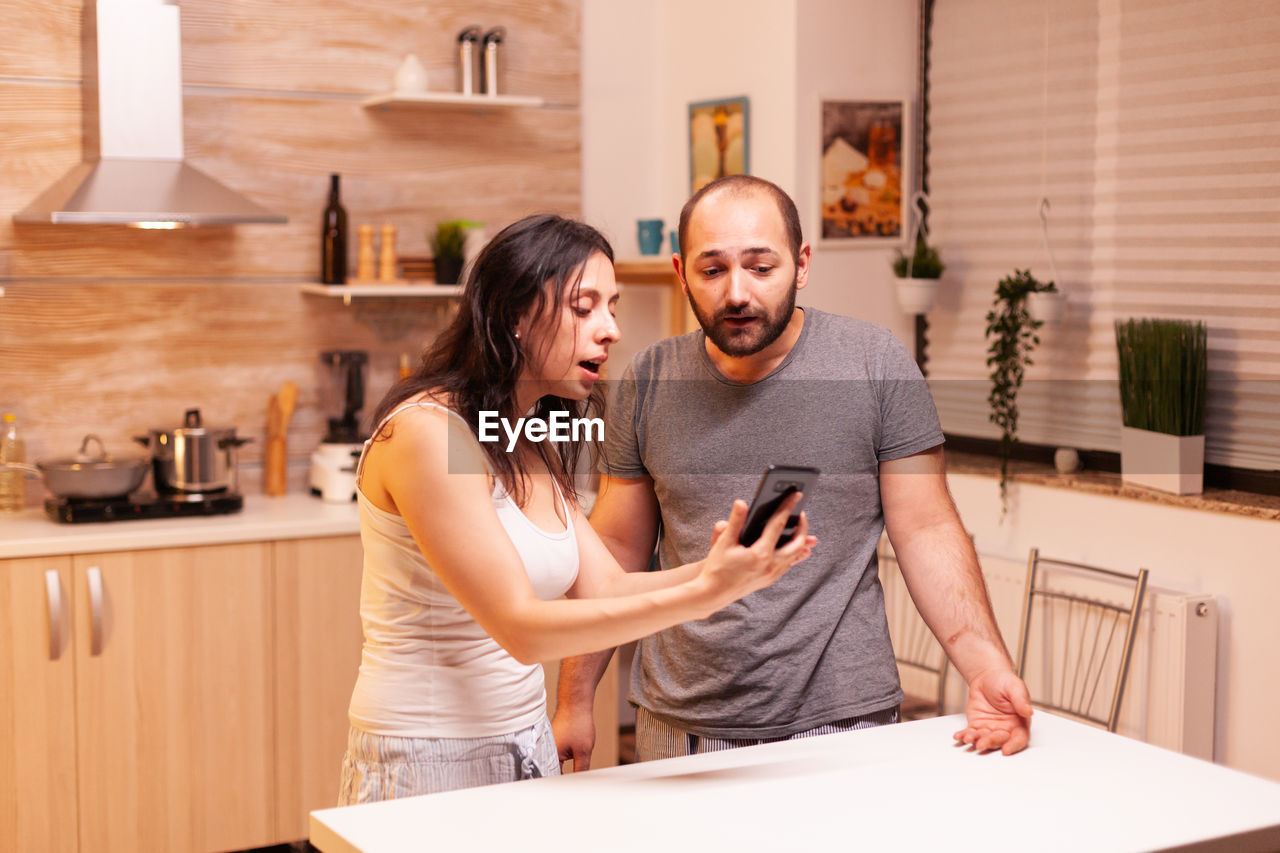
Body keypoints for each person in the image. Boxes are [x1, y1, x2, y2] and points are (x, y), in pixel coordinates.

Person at [552, 176, 1033, 767]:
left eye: (761, 267)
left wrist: (986, 669)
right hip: (681, 725)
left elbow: (928, 530)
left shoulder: (873, 363)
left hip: (843, 723)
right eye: (712, 271)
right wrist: (574, 697)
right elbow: (616, 549)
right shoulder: (650, 378)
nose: (736, 293)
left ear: (801, 264)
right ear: (681, 273)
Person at [336, 213, 815, 804]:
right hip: (427, 757)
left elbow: (605, 587)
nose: (610, 329)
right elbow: (522, 630)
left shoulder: (520, 431)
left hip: (523, 742)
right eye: (583, 307)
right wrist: (704, 595)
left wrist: (724, 572)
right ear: (513, 315)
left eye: (611, 306)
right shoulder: (428, 433)